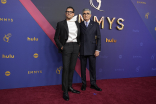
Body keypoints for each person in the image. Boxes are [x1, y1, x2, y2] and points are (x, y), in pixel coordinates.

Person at [54, 6, 80, 101]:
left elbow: (80, 36)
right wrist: (61, 46)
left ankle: (70, 87)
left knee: (72, 68)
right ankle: (65, 91)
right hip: (66, 47)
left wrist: (78, 47)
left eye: (71, 12)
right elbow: (56, 37)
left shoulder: (77, 24)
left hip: (75, 47)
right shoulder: (61, 24)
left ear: (73, 14)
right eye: (67, 12)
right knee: (66, 69)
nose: (69, 13)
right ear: (65, 13)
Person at [80, 9, 102, 91]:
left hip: (93, 50)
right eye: (84, 13)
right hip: (82, 49)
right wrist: (78, 50)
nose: (85, 15)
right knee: (82, 68)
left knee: (92, 68)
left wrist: (98, 50)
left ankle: (93, 84)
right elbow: (78, 38)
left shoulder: (95, 24)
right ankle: (84, 84)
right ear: (82, 15)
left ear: (90, 15)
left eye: (87, 13)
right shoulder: (80, 24)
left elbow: (99, 38)